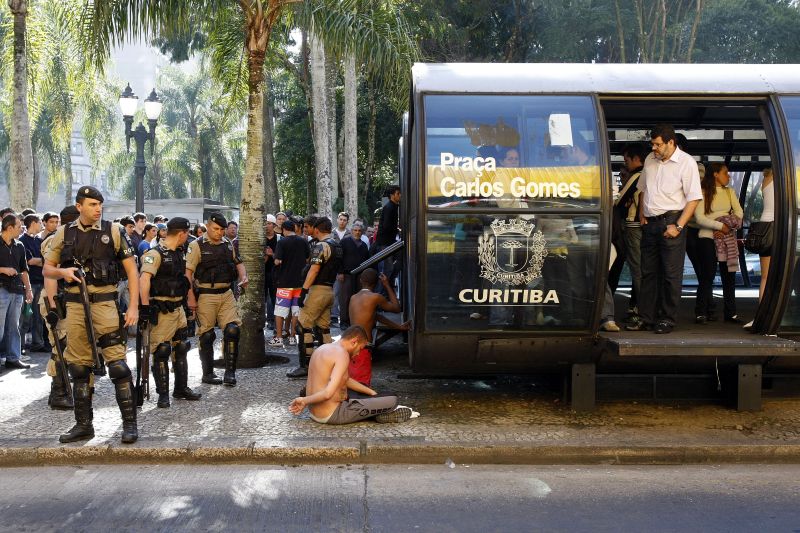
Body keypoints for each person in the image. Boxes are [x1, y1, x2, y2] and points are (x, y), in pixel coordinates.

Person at [43, 185, 140, 444]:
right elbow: (47, 269)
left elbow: (132, 271)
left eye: (100, 205)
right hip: (74, 306)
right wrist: (62, 273)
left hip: (106, 305)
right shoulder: (64, 232)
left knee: (118, 367)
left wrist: (133, 307)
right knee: (78, 367)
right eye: (92, 204)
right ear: (79, 207)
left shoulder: (114, 231)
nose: (98, 209)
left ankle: (130, 425)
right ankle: (84, 425)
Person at [627, 124, 702, 334]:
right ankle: (646, 317)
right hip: (650, 222)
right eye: (652, 144)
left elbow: (694, 198)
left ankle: (667, 319)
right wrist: (642, 213)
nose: (654, 148)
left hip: (672, 221)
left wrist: (678, 226)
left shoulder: (686, 163)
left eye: (658, 144)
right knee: (648, 273)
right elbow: (642, 188)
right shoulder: (651, 160)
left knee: (670, 274)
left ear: (671, 142)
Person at [288, 325, 412, 425]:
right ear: (354, 342)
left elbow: (345, 380)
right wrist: (304, 400)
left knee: (363, 389)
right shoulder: (342, 354)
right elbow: (327, 393)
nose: (358, 354)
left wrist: (372, 393)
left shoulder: (322, 348)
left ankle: (373, 407)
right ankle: (378, 415)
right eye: (360, 348)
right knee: (392, 399)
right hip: (332, 414)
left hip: (314, 413)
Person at [139, 217, 202, 407]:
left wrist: (189, 300)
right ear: (182, 233)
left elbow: (183, 279)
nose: (187, 237)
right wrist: (144, 308)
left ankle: (181, 389)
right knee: (162, 351)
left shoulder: (179, 252)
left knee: (181, 347)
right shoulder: (155, 253)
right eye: (187, 234)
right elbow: (144, 280)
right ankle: (163, 394)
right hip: (161, 310)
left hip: (178, 308)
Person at [185, 212, 248, 386]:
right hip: (205, 295)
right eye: (216, 229)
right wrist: (191, 298)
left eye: (222, 229)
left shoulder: (227, 244)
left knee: (233, 330)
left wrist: (244, 278)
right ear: (207, 225)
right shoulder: (196, 245)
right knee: (206, 336)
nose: (220, 232)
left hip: (226, 294)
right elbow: (187, 274)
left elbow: (238, 262)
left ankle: (230, 373)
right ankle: (208, 373)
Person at [287, 216, 341, 378]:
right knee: (323, 328)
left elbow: (314, 270)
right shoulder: (337, 245)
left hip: (317, 291)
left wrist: (304, 291)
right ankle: (329, 364)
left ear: (317, 229)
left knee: (303, 326)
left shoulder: (321, 246)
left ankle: (306, 366)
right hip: (329, 290)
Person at [692, 162, 743, 324]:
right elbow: (699, 218)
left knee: (729, 276)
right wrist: (721, 225)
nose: (728, 176)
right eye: (725, 173)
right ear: (715, 174)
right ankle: (700, 312)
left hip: (727, 237)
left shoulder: (730, 192)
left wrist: (726, 225)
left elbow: (740, 213)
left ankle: (731, 313)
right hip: (707, 237)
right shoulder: (702, 192)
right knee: (707, 275)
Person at [39, 205, 79, 410]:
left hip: (69, 298)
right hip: (55, 299)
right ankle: (58, 392)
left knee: (69, 345)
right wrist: (54, 306)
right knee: (60, 345)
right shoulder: (55, 240)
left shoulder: (74, 238)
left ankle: (63, 388)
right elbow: (50, 274)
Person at [348, 269, 408, 386]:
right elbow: (396, 308)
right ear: (376, 283)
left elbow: (376, 317)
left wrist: (398, 327)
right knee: (362, 381)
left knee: (354, 377)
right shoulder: (375, 297)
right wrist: (387, 285)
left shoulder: (353, 298)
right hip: (364, 346)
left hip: (350, 344)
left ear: (361, 281)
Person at [269, 219, 310, 348]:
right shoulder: (303, 241)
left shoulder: (282, 242)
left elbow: (277, 261)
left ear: (283, 230)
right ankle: (292, 337)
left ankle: (279, 337)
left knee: (280, 311)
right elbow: (308, 259)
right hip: (300, 282)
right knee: (295, 310)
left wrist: (272, 255)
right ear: (294, 229)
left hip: (284, 282)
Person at [0, 214, 34, 370]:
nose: (22, 229)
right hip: (1, 289)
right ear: (9, 228)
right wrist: (3, 269)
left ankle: (13, 358)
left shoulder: (20, 246)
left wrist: (28, 290)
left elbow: (24, 271)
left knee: (14, 326)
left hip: (17, 291)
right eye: (20, 226)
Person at [617, 144, 646, 323]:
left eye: (627, 160)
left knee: (637, 269)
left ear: (636, 159)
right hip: (647, 227)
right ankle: (640, 306)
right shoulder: (651, 174)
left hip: (634, 226)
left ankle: (641, 309)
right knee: (644, 268)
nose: (626, 164)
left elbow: (619, 200)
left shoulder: (637, 176)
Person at [20, 213, 46, 352]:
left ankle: (38, 343)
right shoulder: (22, 241)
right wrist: (44, 261)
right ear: (33, 223)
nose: (42, 224)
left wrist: (42, 261)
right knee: (26, 317)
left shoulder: (39, 241)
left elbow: (42, 259)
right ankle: (21, 346)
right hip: (29, 284)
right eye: (39, 222)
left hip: (41, 282)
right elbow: (30, 261)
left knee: (39, 316)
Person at [338, 222, 370, 329]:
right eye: (355, 230)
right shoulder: (344, 242)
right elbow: (339, 258)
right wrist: (340, 272)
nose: (357, 232)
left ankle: (355, 320)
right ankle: (344, 321)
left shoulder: (364, 245)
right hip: (346, 275)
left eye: (359, 231)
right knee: (345, 299)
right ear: (351, 231)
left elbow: (367, 261)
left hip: (359, 276)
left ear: (362, 232)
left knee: (358, 299)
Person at [263, 215, 278, 324]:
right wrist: (266, 257)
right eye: (265, 223)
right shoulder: (260, 238)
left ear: (274, 225)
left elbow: (282, 258)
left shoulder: (279, 239)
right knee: (261, 298)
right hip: (262, 272)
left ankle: (274, 321)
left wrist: (272, 254)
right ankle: (261, 321)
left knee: (274, 298)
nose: (267, 226)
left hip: (275, 273)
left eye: (269, 223)